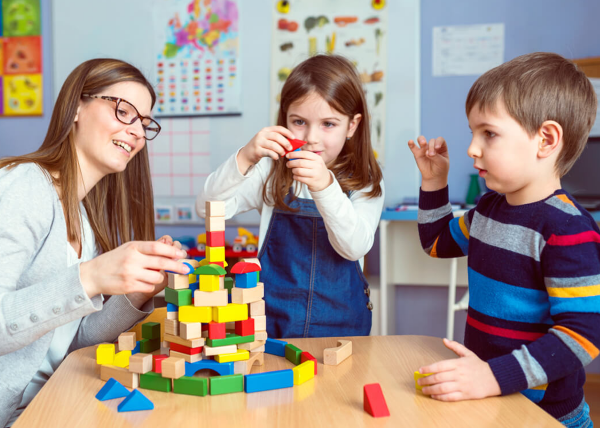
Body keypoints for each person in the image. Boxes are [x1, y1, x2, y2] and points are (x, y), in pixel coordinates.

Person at [409, 52, 599, 427]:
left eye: (489, 133)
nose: (472, 148)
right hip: (492, 400)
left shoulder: (567, 229)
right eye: (472, 133)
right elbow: (436, 243)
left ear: (546, 139)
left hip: (547, 415)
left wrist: (494, 376)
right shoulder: (488, 210)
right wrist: (434, 183)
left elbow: (582, 335)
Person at [0, 58, 192, 427]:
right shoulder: (25, 185)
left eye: (144, 123)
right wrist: (90, 277)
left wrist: (137, 293)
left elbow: (72, 343)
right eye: (124, 112)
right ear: (76, 108)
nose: (136, 132)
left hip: (53, 401)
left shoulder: (84, 220)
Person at [197, 54, 384, 338]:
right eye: (299, 121)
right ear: (284, 118)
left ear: (352, 125)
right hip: (269, 327)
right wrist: (245, 157)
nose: (311, 137)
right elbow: (208, 208)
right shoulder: (270, 171)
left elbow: (354, 247)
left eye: (328, 124)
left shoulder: (366, 180)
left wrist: (325, 186)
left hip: (343, 331)